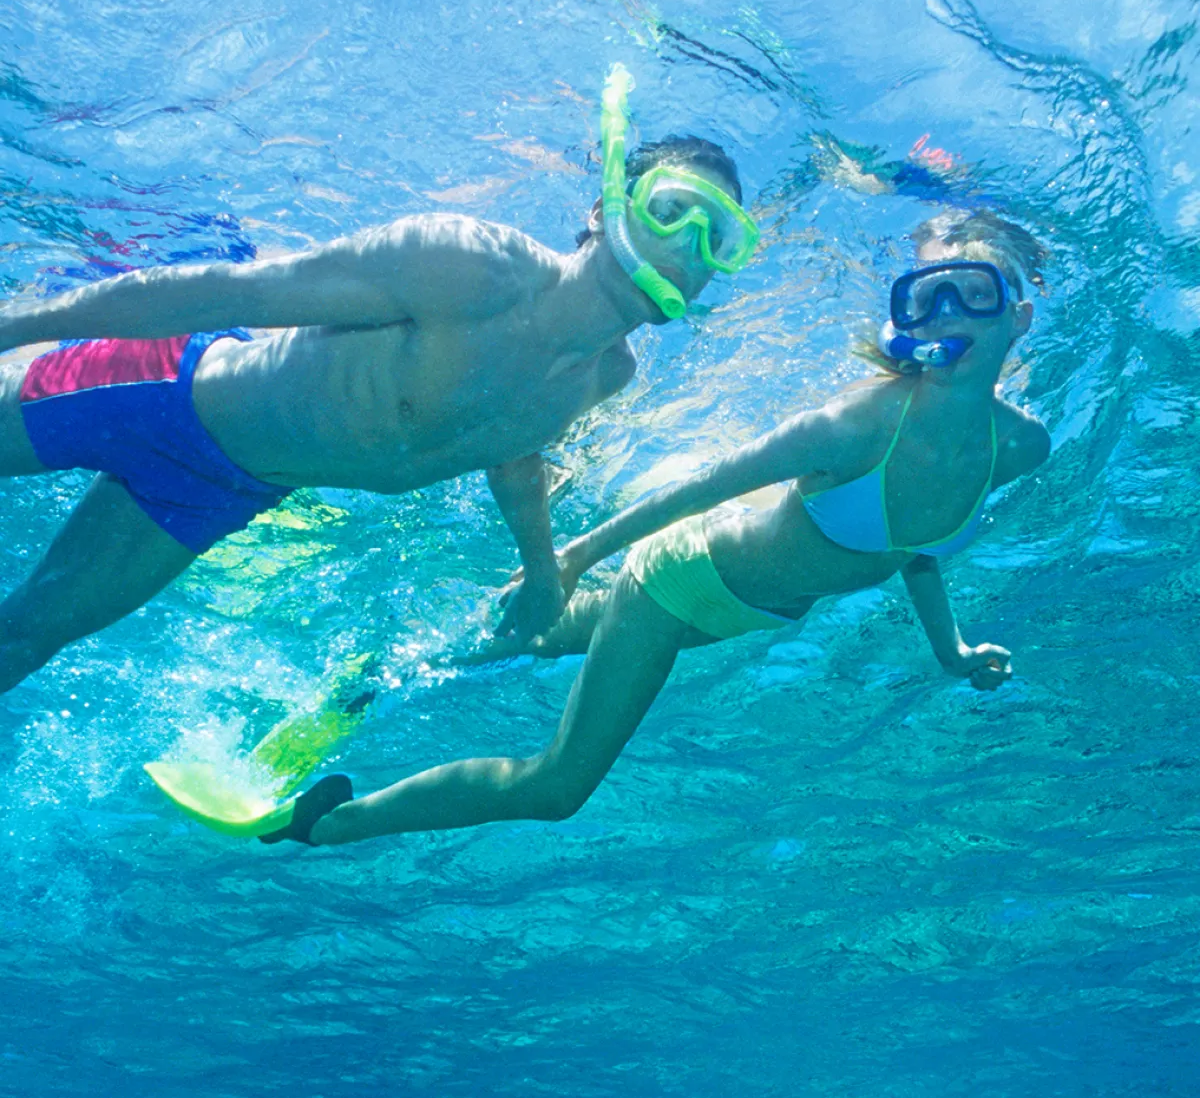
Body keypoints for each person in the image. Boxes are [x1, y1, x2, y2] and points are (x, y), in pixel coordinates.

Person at [260, 209, 1051, 849]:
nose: (947, 313)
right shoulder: (857, 425)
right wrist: (569, 557)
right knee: (558, 787)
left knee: (532, 639)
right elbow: (708, 484)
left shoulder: (1017, 447)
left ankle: (376, 676)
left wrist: (951, 650)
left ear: (1018, 316)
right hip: (677, 581)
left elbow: (915, 545)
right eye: (926, 296)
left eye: (971, 293)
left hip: (734, 612)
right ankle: (331, 826)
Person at [0, 66, 758, 691]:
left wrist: (541, 575)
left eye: (716, 238)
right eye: (672, 211)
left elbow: (515, 460)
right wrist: (26, 324)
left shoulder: (605, 376)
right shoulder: (469, 267)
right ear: (605, 208)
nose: (687, 249)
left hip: (214, 494)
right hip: (161, 393)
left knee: (26, 640)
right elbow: (234, 292)